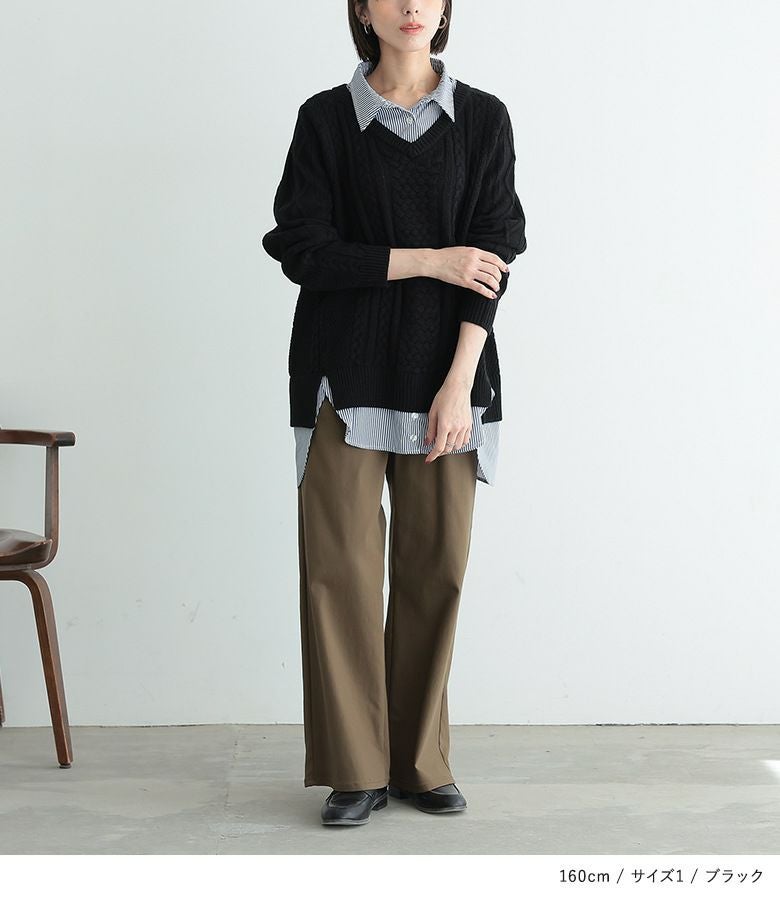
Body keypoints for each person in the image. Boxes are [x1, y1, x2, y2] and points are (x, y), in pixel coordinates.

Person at [261, 0, 527, 826]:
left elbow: (495, 252)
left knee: (435, 568)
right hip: (341, 377)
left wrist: (460, 383)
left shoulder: (483, 119)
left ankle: (419, 762)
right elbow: (303, 249)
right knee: (337, 573)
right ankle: (355, 769)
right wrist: (429, 261)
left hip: (447, 376)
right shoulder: (325, 120)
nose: (412, 6)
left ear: (445, 8)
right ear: (361, 8)